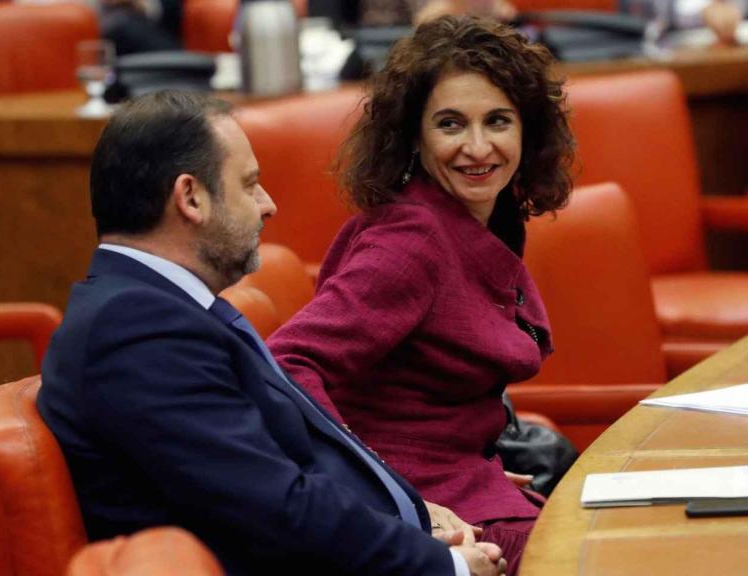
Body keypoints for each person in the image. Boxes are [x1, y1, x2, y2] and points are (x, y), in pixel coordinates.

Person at [37, 90, 507, 576]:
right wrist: (444, 565)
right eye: (249, 185)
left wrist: (413, 522)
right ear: (191, 197)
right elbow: (273, 508)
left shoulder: (157, 308)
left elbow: (290, 475)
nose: (268, 205)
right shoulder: (137, 330)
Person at [267, 16, 575, 576]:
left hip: (469, 484)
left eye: (498, 121)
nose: (478, 147)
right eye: (451, 124)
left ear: (526, 130)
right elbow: (287, 367)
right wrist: (389, 489)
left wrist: (467, 459)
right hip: (433, 519)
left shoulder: (483, 215)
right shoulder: (410, 242)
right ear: (414, 135)